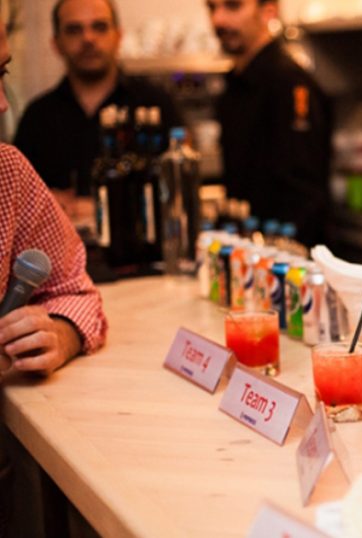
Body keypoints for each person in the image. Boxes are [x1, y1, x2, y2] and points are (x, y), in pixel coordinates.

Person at [0, 17, 110, 534]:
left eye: (1, 74)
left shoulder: (8, 174)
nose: (2, 104)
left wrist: (60, 333)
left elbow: (74, 288)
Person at [13, 0, 182, 224]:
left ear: (118, 36)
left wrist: (107, 206)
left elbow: (178, 193)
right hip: (60, 254)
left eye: (99, 27)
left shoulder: (155, 105)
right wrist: (45, 202)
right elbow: (14, 204)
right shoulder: (37, 117)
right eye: (74, 30)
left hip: (141, 254)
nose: (88, 39)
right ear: (56, 43)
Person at [207, 0, 331, 246]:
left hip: (287, 257)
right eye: (212, 7)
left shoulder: (290, 82)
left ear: (268, 12)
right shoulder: (233, 86)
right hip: (248, 248)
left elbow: (304, 192)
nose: (218, 20)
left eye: (232, 6)